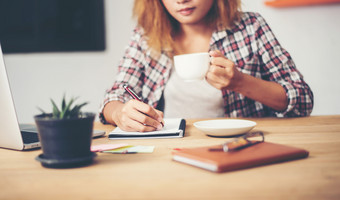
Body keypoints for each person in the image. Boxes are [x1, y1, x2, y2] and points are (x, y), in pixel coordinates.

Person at [99, 0, 314, 132]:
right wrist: (120, 113)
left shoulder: (251, 27)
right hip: (168, 150)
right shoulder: (145, 36)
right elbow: (116, 95)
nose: (181, 0)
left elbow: (302, 99)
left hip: (238, 147)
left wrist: (240, 82)